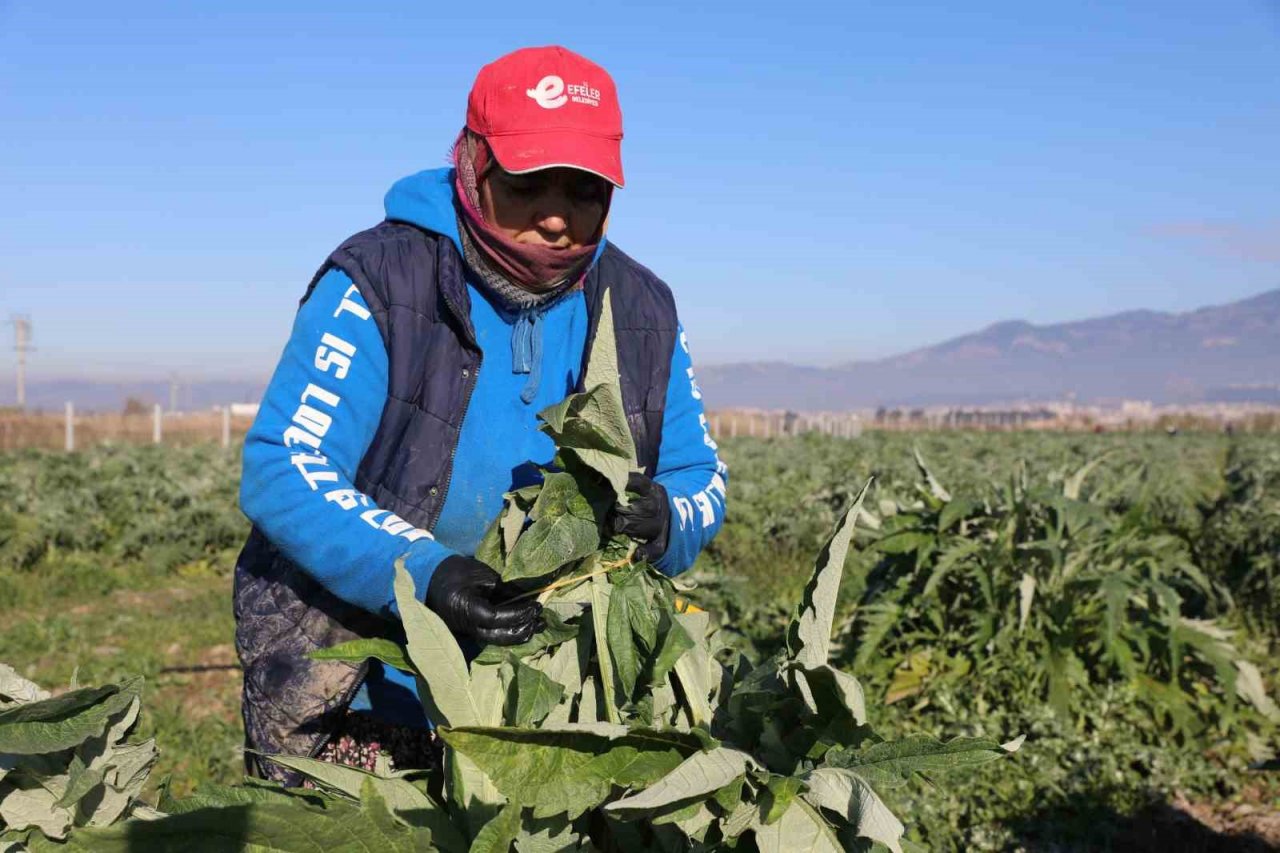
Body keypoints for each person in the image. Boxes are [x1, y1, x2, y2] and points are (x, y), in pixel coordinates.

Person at [233, 45, 728, 784]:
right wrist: (424, 572)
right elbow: (285, 468)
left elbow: (698, 475)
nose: (557, 218)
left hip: (553, 697)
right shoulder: (382, 281)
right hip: (361, 673)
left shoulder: (643, 311)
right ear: (472, 162)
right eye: (530, 183)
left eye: (586, 189)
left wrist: (670, 519)